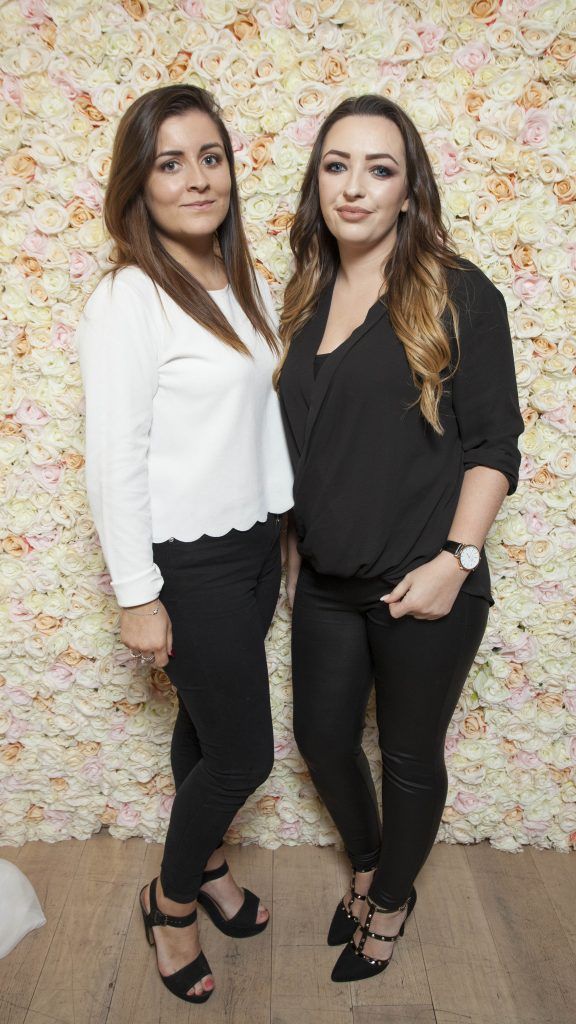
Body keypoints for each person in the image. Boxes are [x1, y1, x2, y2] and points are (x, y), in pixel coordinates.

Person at [277, 94, 523, 983]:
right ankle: (378, 860)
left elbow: (495, 444)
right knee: (322, 738)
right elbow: (315, 441)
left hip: (429, 576)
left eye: (379, 169)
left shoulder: (461, 292)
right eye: (337, 165)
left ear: (409, 190)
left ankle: (389, 901)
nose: (354, 187)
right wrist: (297, 548)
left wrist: (457, 562)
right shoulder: (305, 295)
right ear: (318, 181)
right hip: (332, 580)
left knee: (411, 756)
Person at [77, 85, 293, 1003]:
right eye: (170, 162)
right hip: (187, 559)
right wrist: (136, 592)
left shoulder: (239, 279)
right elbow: (111, 454)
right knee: (246, 756)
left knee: (204, 730)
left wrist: (281, 529)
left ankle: (204, 865)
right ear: (141, 183)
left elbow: (258, 421)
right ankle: (168, 905)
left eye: (211, 156)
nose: (198, 178)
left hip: (252, 545)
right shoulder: (128, 297)